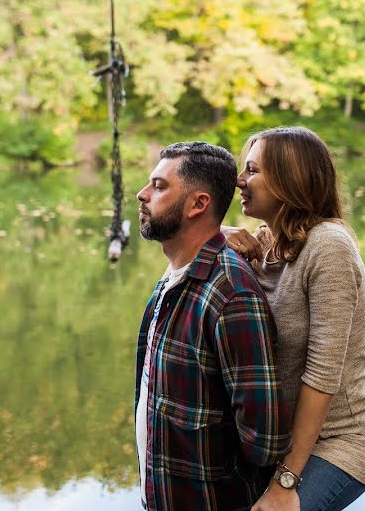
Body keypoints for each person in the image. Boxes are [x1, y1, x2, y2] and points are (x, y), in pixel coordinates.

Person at [224, 127, 365, 511]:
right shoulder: (268, 239)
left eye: (251, 170)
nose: (239, 180)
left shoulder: (329, 247)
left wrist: (286, 481)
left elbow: (322, 375)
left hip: (344, 438)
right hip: (286, 438)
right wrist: (217, 235)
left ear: (289, 181)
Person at [135, 141, 292, 511]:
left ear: (198, 204)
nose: (142, 195)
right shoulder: (179, 271)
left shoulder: (231, 296)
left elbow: (265, 440)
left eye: (159, 187)